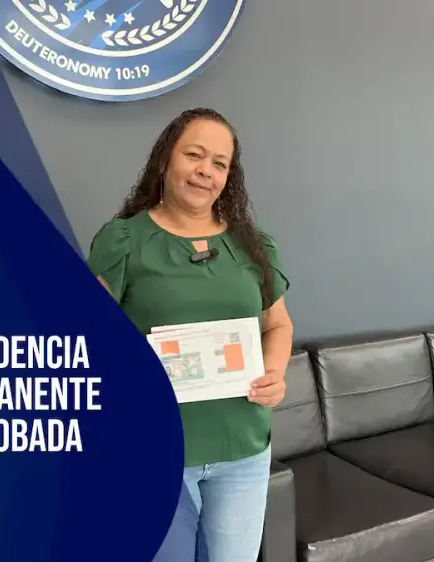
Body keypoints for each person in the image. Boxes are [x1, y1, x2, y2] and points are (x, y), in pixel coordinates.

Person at [85, 108, 294, 562]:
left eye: (219, 163)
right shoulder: (123, 241)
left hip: (243, 450)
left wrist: (275, 372)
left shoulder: (252, 244)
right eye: (194, 155)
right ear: (165, 160)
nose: (206, 171)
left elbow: (277, 324)